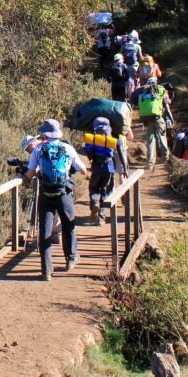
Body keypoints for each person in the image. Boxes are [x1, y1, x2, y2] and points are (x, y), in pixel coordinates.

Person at [24, 119, 86, 281]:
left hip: (46, 194)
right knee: (68, 225)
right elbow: (83, 170)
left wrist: (25, 177)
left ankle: (46, 271)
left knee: (44, 231)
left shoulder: (38, 150)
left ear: (44, 134)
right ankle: (71, 259)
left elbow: (30, 174)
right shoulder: (67, 148)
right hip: (63, 192)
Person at [81, 117, 129, 225]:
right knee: (106, 190)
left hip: (96, 166)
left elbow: (89, 154)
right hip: (109, 166)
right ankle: (101, 218)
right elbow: (122, 154)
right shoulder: (115, 140)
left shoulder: (91, 139)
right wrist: (125, 168)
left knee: (93, 187)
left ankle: (94, 203)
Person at [133, 77, 172, 171]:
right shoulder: (159, 90)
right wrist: (171, 118)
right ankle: (165, 158)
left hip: (147, 119)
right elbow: (167, 106)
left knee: (150, 140)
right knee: (162, 137)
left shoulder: (143, 91)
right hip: (158, 118)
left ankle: (150, 163)